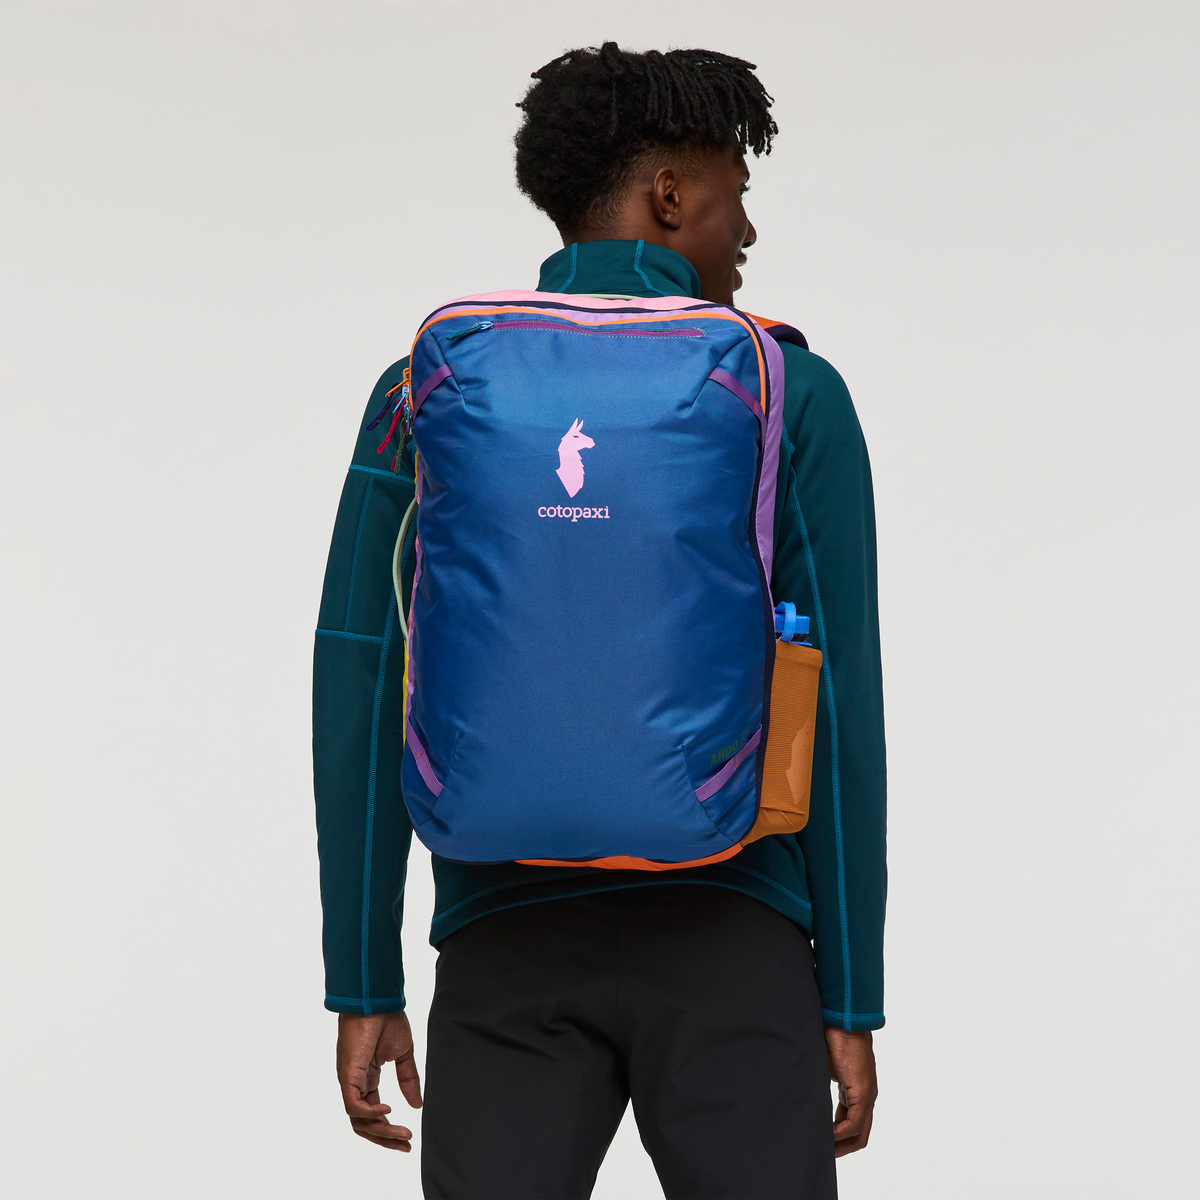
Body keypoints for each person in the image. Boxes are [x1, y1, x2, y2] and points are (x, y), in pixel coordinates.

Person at [314, 43, 886, 1200]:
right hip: (733, 939)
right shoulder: (790, 391)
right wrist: (850, 998)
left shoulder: (424, 387)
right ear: (668, 193)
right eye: (732, 192)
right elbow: (837, 695)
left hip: (503, 945)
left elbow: (363, 673)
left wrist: (364, 977)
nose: (746, 230)